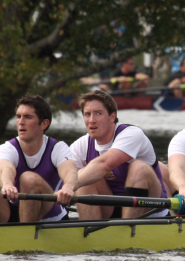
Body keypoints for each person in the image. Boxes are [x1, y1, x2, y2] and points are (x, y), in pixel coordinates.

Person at [0, 96, 78, 224]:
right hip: (15, 212)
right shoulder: (7, 148)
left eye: (28, 117)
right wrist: (7, 184)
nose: (20, 122)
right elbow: (5, 168)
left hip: (50, 213)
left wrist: (67, 188)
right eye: (18, 116)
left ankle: (25, 237)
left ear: (44, 124)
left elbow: (70, 171)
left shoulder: (58, 148)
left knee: (29, 178)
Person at [68, 90, 170, 219]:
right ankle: (89, 233)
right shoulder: (81, 145)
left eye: (98, 113)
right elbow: (63, 177)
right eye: (87, 114)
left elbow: (104, 164)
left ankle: (128, 229)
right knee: (81, 176)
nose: (91, 120)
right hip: (111, 208)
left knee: (138, 167)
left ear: (112, 117)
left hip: (149, 209)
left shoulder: (132, 134)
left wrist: (68, 186)